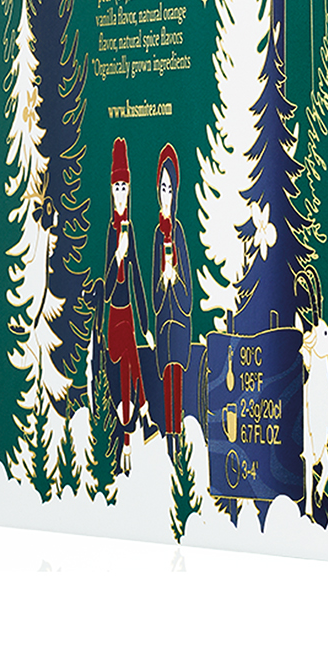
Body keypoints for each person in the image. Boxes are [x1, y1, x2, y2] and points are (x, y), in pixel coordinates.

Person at [101, 138, 149, 436]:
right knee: (127, 363)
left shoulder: (130, 229)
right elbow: (107, 290)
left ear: (129, 190)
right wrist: (118, 255)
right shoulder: (111, 232)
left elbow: (138, 279)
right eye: (116, 187)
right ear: (112, 191)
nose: (120, 193)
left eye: (124, 187)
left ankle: (135, 428)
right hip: (114, 316)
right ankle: (142, 414)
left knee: (132, 361)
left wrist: (145, 326)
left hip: (129, 311)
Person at [151, 144, 192, 435]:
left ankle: (180, 445)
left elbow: (188, 301)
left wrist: (175, 278)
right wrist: (162, 282)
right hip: (162, 328)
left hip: (179, 328)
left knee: (179, 394)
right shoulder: (158, 235)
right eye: (162, 189)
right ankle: (169, 443)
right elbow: (155, 301)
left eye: (170, 189)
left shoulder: (179, 234)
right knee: (165, 395)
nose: (166, 195)